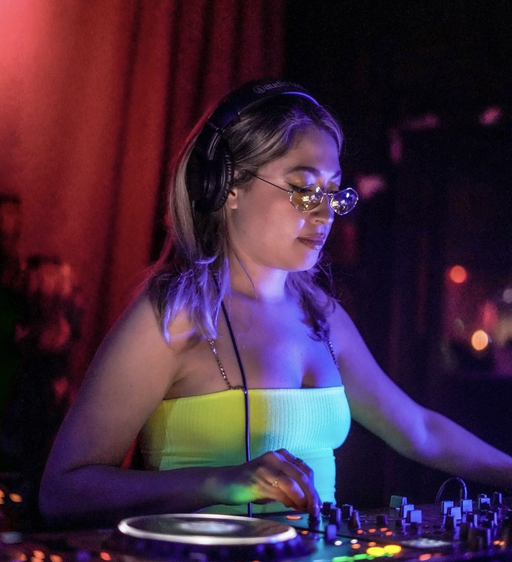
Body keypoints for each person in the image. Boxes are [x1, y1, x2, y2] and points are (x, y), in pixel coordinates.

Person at [39, 79, 512, 528]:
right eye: (304, 189)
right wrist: (220, 482)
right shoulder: (174, 315)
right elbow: (63, 491)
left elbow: (420, 431)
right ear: (228, 187)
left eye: (332, 193)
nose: (325, 214)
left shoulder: (323, 316)